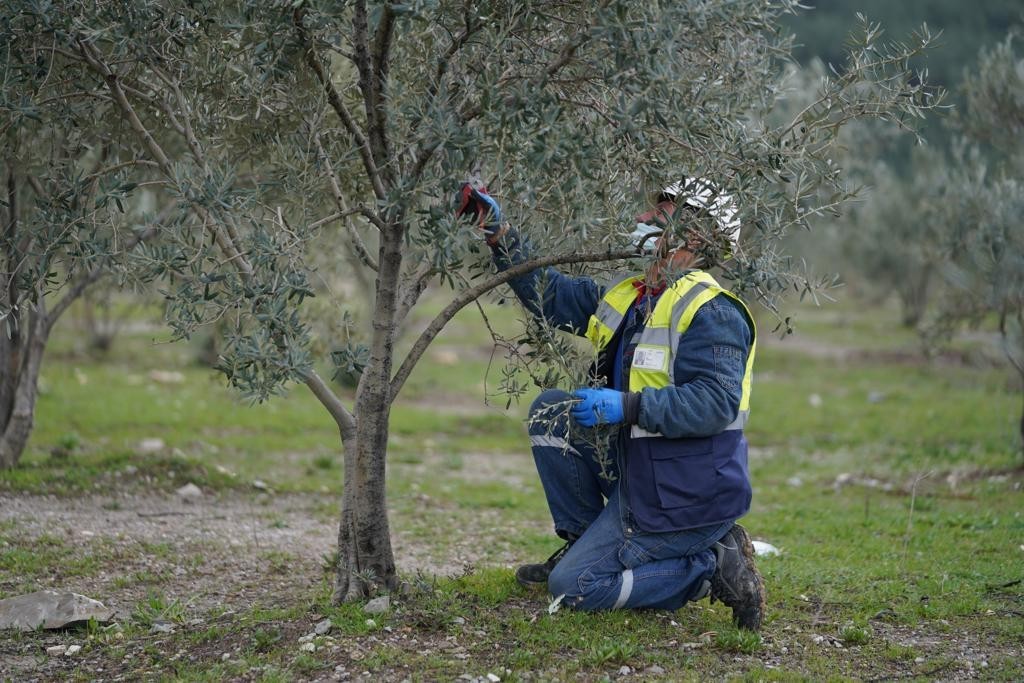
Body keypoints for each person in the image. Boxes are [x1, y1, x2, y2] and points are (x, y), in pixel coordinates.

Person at [457, 178, 766, 630]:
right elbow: (552, 295)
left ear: (695, 238)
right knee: (552, 412)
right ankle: (586, 541)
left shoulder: (712, 311)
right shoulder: (633, 296)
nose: (642, 220)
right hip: (642, 475)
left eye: (659, 216)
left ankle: (708, 565)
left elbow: (716, 402)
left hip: (686, 495)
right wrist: (500, 235)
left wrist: (627, 406)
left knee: (573, 588)